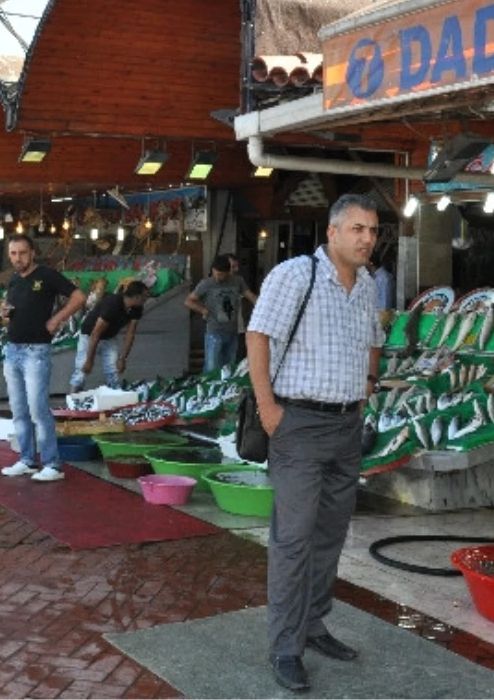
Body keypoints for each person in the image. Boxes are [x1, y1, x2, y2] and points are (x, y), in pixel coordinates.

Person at [246, 194, 384, 693]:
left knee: (330, 535)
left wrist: (367, 387)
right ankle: (286, 646)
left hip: (347, 426)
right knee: (294, 539)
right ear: (332, 232)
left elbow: (373, 338)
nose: (367, 238)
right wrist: (268, 410)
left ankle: (313, 623)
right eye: (357, 229)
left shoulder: (367, 284)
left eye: (372, 230)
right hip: (298, 425)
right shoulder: (294, 275)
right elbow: (257, 336)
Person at [0, 234, 87, 483]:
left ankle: (52, 464)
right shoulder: (14, 280)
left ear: (32, 253)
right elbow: (9, 312)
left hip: (36, 351)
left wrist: (56, 319)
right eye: (14, 253)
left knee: (38, 409)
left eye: (23, 253)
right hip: (12, 349)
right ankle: (27, 459)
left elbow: (79, 297)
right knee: (18, 409)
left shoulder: (46, 275)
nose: (18, 258)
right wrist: (5, 315)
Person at [69, 280, 149, 392]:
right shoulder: (113, 303)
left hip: (109, 337)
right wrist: (89, 360)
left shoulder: (137, 308)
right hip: (89, 336)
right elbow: (96, 333)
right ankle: (73, 398)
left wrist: (123, 358)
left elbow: (130, 333)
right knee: (82, 370)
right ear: (136, 297)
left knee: (113, 371)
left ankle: (114, 396)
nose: (147, 299)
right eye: (145, 296)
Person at [185, 255, 259, 373]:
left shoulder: (238, 281)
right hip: (214, 333)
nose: (219, 277)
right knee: (211, 368)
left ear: (228, 271)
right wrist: (203, 310)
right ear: (213, 270)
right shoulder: (206, 284)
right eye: (217, 273)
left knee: (228, 369)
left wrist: (262, 307)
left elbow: (250, 296)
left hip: (232, 332)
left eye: (223, 274)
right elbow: (189, 301)